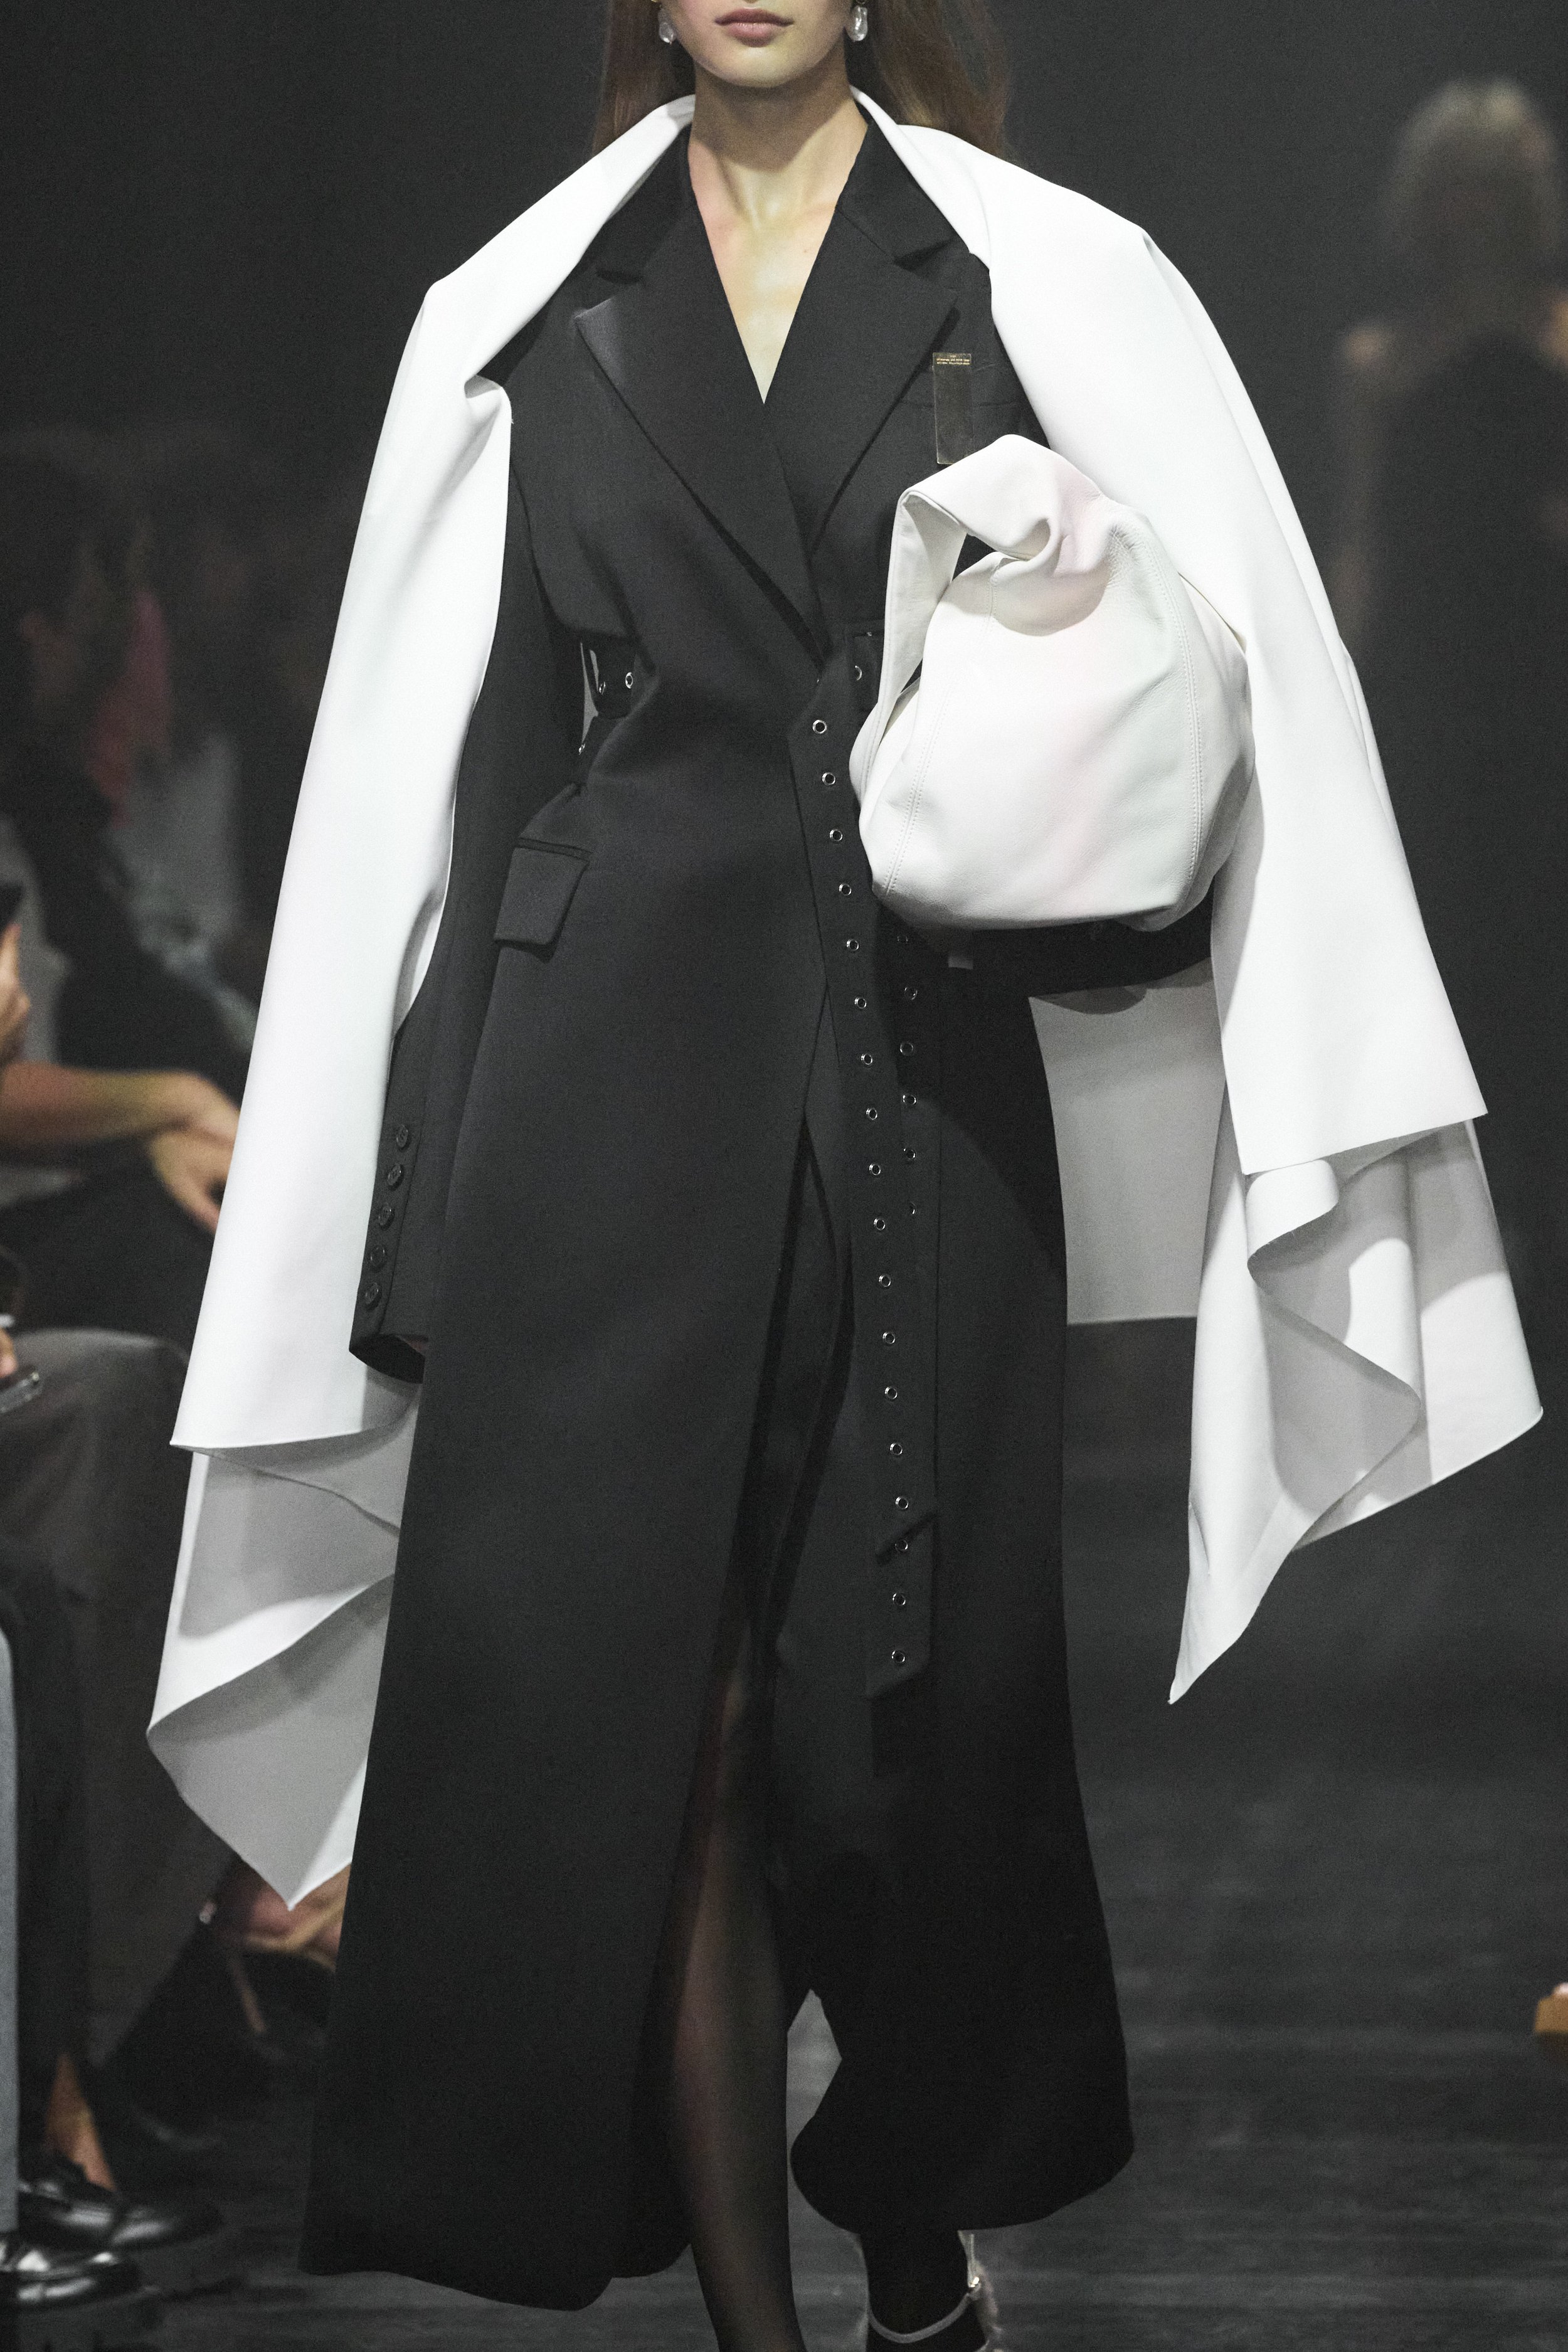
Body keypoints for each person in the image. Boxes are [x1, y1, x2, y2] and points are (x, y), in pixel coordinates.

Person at [152, 8, 1536, 2351]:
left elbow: (1209, 657)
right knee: (675, 1741)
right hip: (608, 1088)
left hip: (916, 1054)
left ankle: (911, 2239)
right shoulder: (530, 298)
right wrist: (409, 1216)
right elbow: (459, 765)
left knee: (901, 1732)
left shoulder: (1024, 270)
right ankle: (768, 2328)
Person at [1332, 82, 1568, 1342]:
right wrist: (1330, 705)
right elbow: (1363, 544)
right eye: (1457, 182)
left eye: (1497, 181)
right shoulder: (1378, 364)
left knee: (1540, 957)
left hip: (1543, 689)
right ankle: (1459, 1281)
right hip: (1428, 694)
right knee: (1448, 964)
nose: (1477, 207)